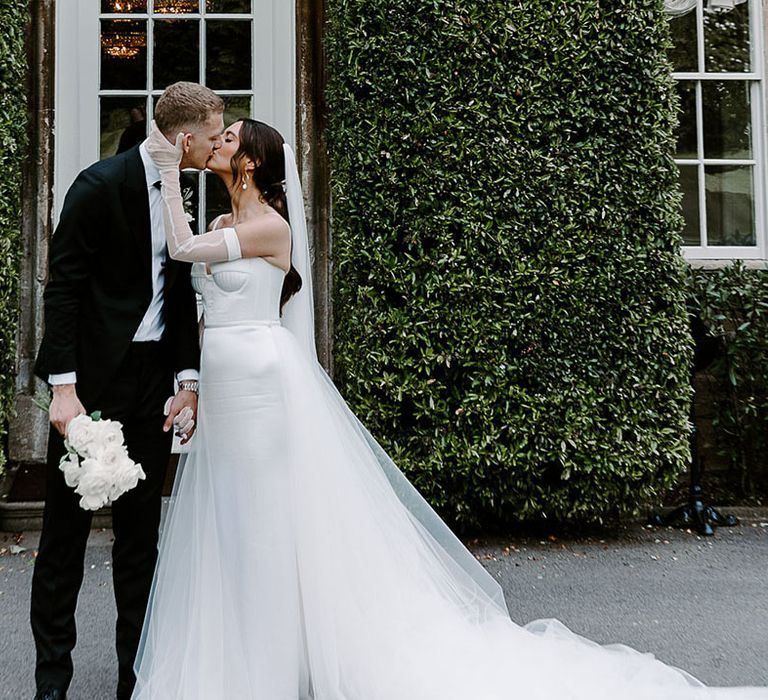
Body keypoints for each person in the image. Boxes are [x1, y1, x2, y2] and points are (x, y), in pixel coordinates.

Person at [133, 118, 768, 699]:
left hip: (265, 384)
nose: (215, 141)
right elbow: (196, 287)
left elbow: (181, 251)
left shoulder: (272, 226)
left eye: (229, 136)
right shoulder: (221, 225)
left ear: (249, 162)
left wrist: (165, 168)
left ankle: (280, 665)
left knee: (269, 515)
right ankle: (247, 650)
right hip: (224, 381)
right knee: (234, 516)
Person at [31, 82, 224, 700]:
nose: (218, 144)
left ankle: (134, 681)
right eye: (215, 133)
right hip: (91, 384)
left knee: (141, 541)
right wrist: (64, 390)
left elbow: (179, 291)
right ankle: (50, 684)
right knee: (65, 541)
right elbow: (61, 291)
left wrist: (187, 382)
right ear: (185, 138)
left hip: (151, 387)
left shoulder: (182, 192)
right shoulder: (96, 186)